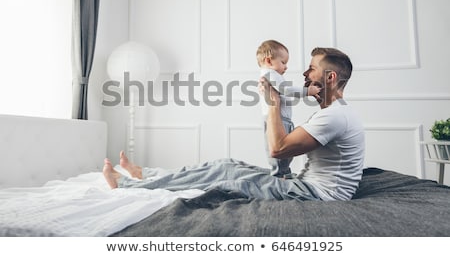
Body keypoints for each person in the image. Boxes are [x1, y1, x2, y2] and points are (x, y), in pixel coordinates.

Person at [103, 47, 365, 202]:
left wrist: (272, 102)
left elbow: (278, 148)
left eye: (312, 69)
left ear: (330, 77)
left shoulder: (334, 116)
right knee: (226, 165)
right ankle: (146, 176)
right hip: (305, 185)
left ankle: (127, 185)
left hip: (315, 195)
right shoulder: (334, 112)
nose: (305, 74)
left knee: (226, 177)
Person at [256, 40, 321, 178]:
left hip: (281, 118)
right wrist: (307, 91)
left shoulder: (271, 75)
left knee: (285, 150)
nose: (286, 67)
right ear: (269, 61)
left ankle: (283, 172)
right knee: (281, 151)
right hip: (278, 119)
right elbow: (286, 90)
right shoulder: (270, 74)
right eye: (283, 62)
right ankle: (280, 174)